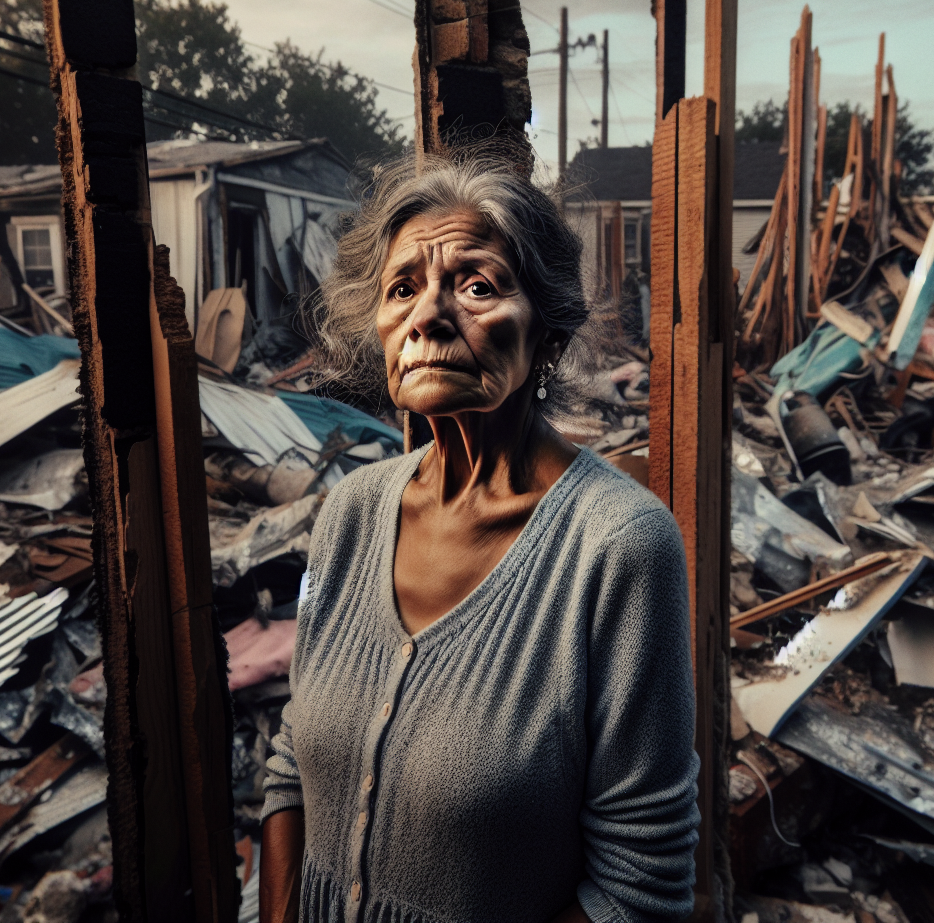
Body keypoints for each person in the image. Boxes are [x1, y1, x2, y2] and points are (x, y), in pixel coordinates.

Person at [259, 154, 699, 922]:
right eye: (402, 290)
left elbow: (640, 885)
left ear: (547, 333)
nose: (428, 315)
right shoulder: (350, 513)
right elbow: (291, 767)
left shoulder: (619, 547)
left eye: (477, 286)